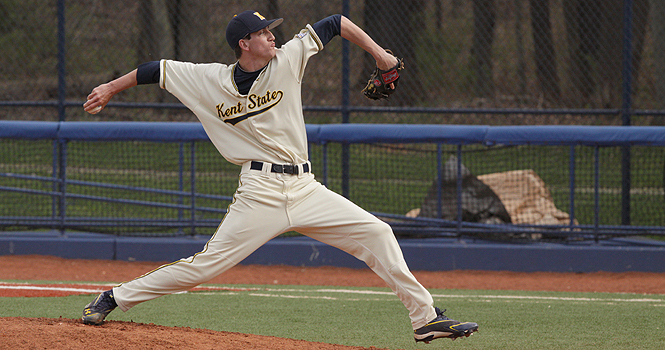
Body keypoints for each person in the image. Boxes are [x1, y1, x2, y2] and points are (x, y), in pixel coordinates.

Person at [81, 10, 478, 343]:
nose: (273, 36)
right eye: (263, 32)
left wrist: (381, 57)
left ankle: (424, 320)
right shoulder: (208, 79)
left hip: (306, 188)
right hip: (259, 193)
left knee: (378, 233)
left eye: (271, 30)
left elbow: (335, 22)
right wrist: (110, 88)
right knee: (205, 267)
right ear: (244, 44)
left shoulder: (287, 59)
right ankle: (114, 297)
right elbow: (156, 70)